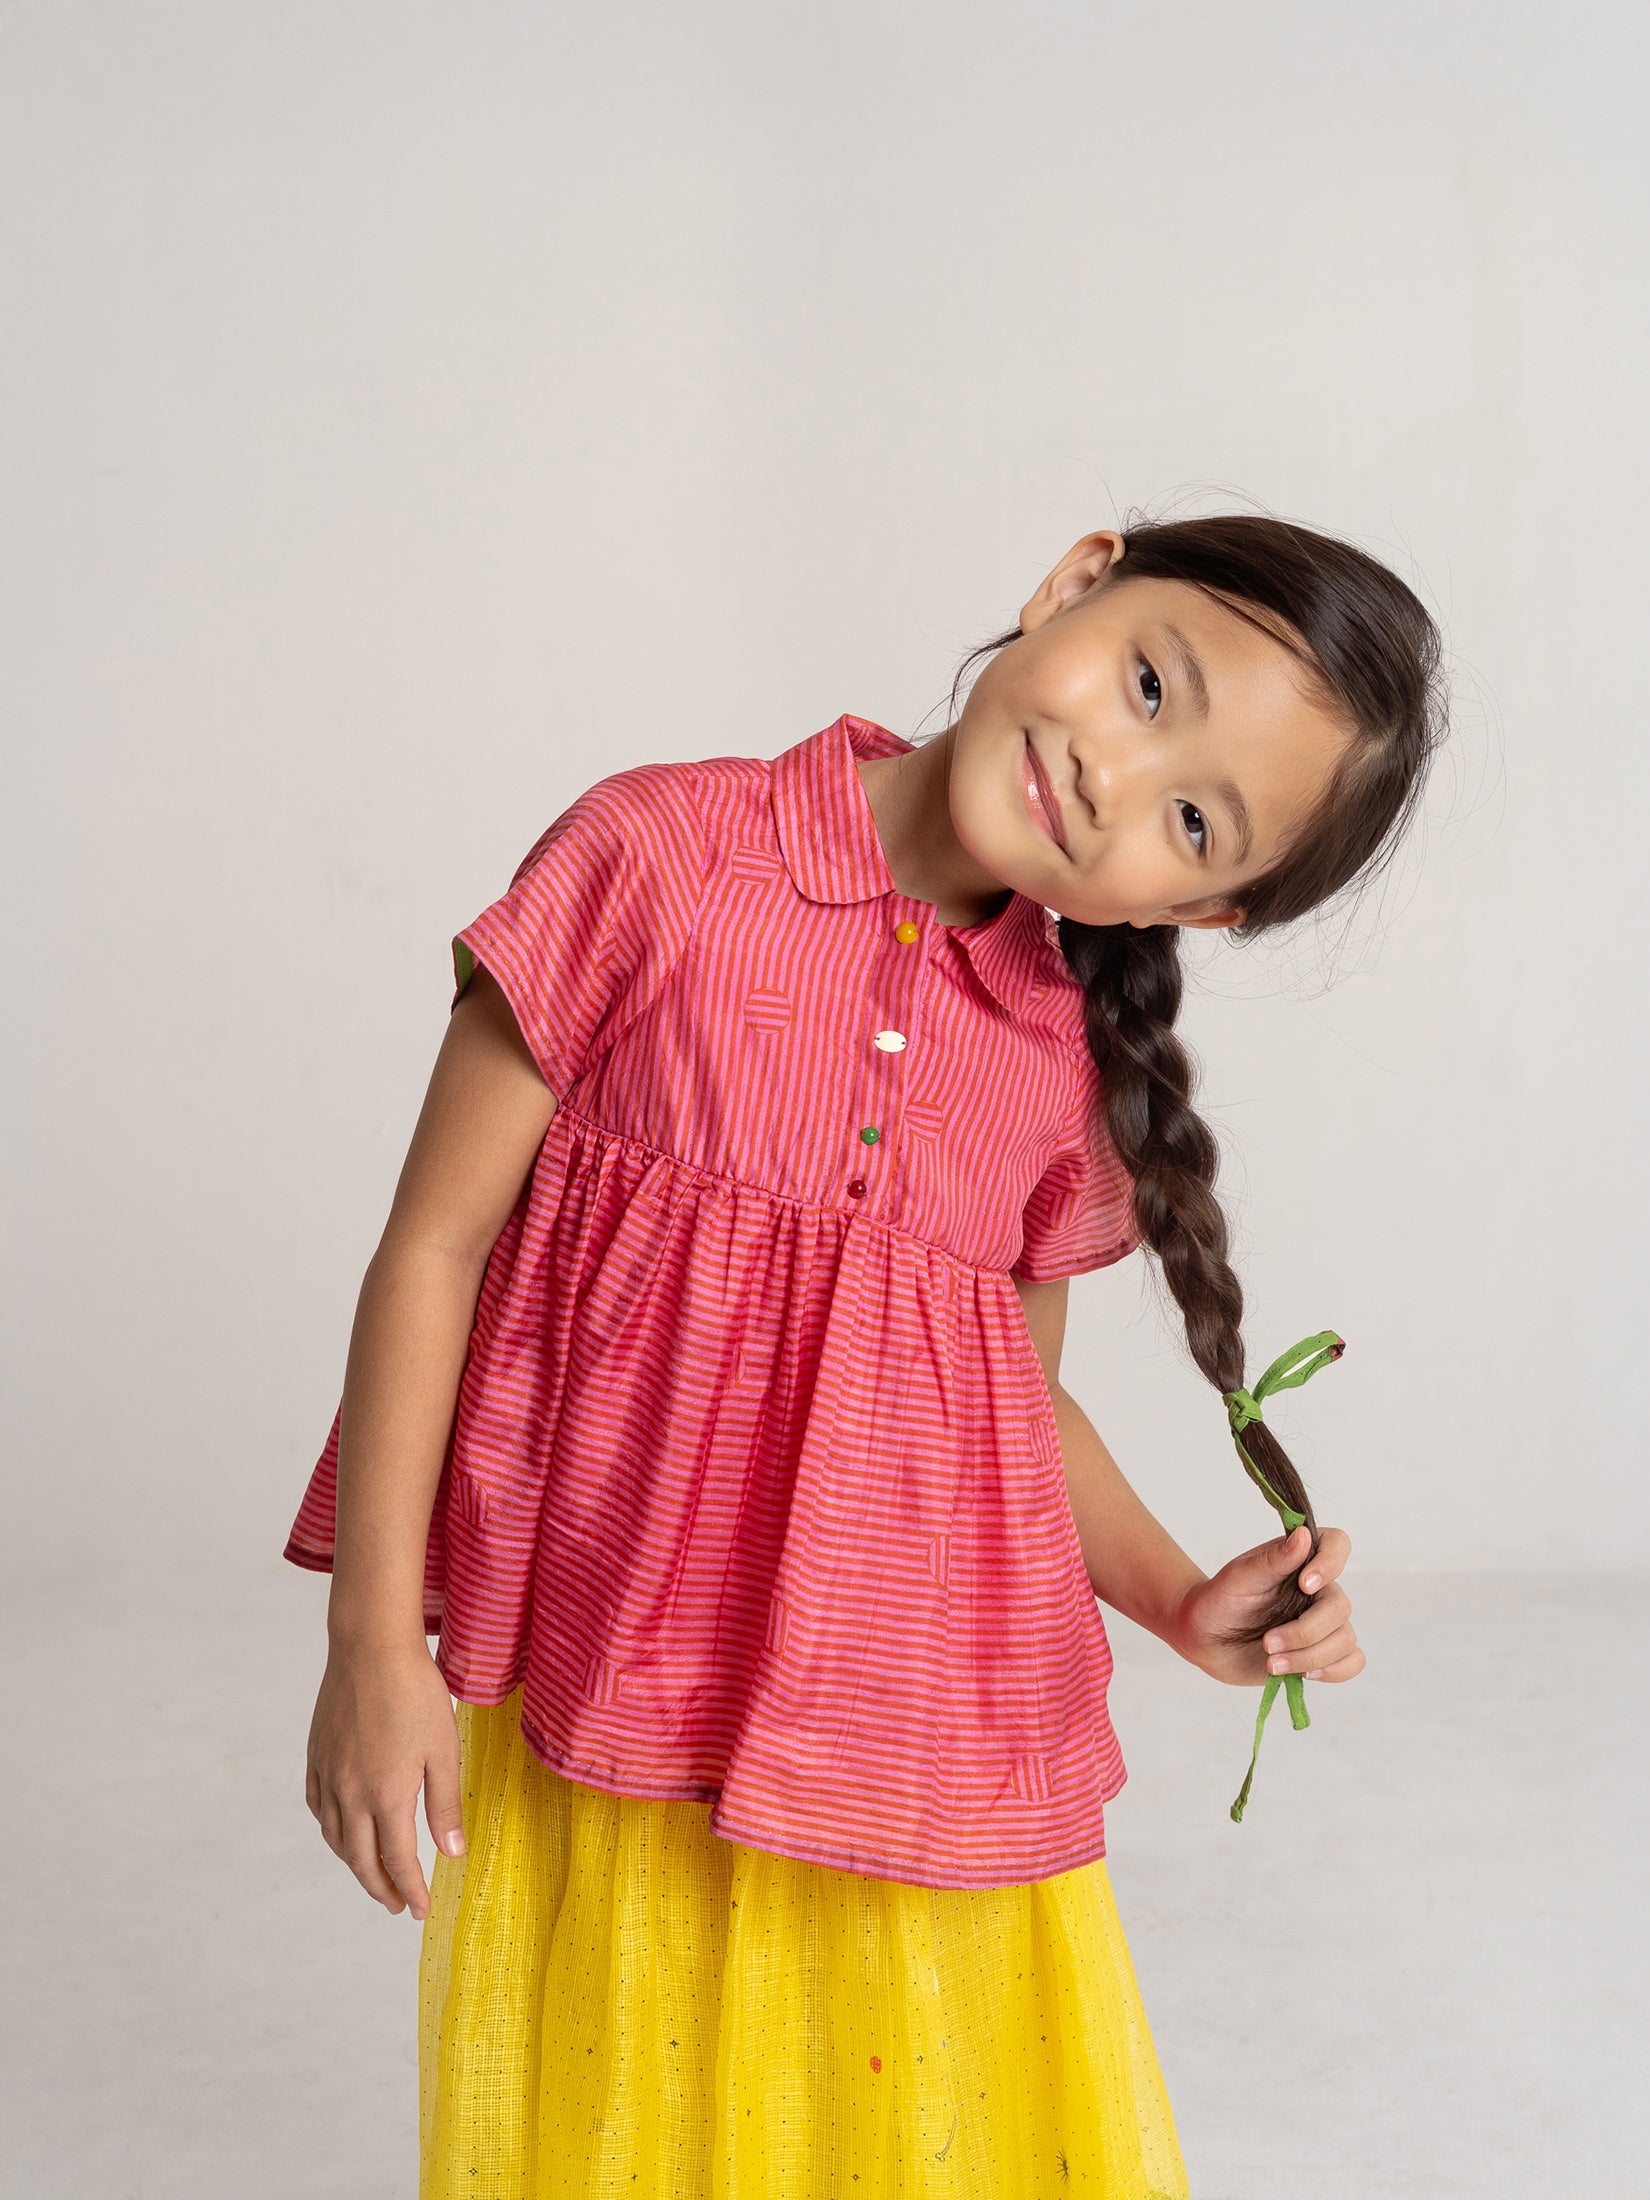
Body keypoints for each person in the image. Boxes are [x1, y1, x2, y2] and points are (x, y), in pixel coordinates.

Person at [285, 514, 1445, 2197]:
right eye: (1145, 684)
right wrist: (372, 1642)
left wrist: (1184, 1601)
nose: (1111, 776)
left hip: (888, 1718)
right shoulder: (661, 853)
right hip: (610, 1665)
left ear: (1203, 906)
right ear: (1074, 582)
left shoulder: (1052, 1066)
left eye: (1192, 819)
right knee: (625, 2115)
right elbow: (433, 1249)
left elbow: (1013, 1407)